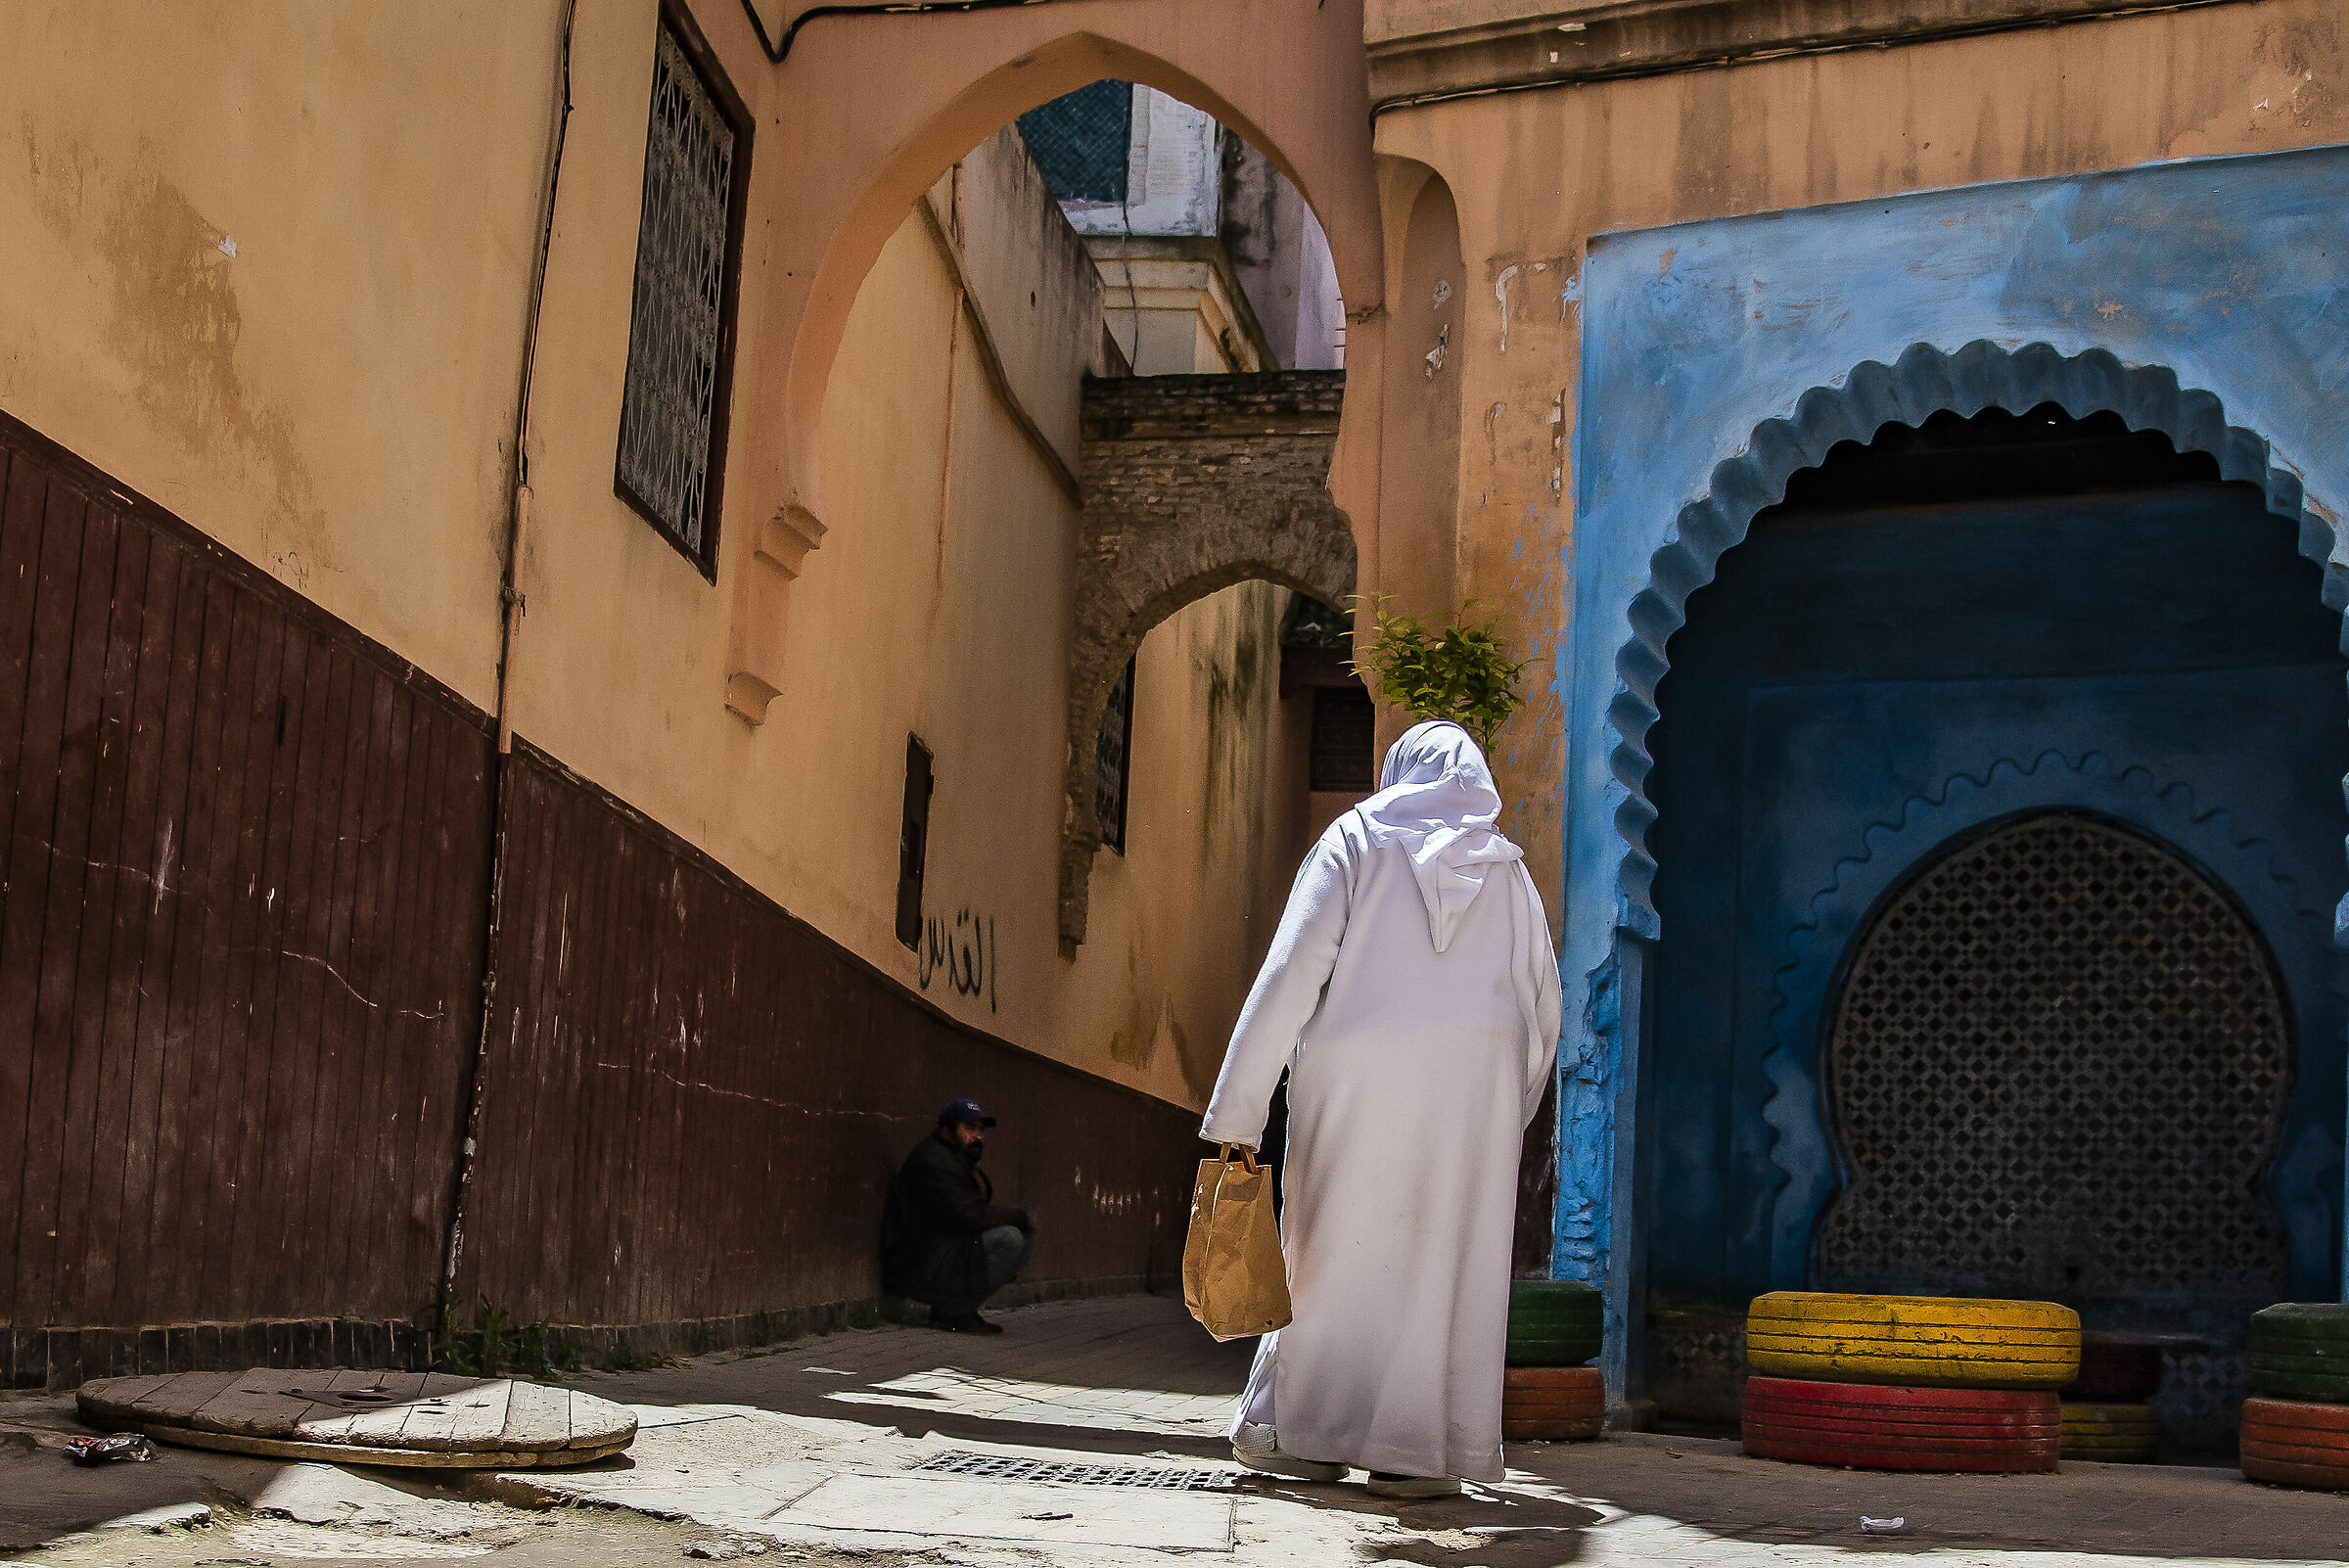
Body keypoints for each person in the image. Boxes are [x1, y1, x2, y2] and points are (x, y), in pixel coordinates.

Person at [1200, 720, 1563, 1498]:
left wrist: (1236, 1117)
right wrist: (1507, 1116)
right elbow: (1543, 1014)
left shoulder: (1356, 840)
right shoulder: (1510, 876)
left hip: (1353, 1089)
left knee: (1334, 1252)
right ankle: (1418, 1453)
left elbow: (1291, 972)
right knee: (1443, 1266)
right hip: (1474, 1100)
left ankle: (1309, 1435)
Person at [881, 1098, 1036, 1333]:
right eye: (969, 1129)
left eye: (980, 1131)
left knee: (1024, 1241)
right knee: (1010, 1238)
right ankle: (952, 1310)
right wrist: (1019, 1216)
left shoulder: (953, 1157)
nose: (978, 1137)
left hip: (941, 1251)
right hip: (918, 1262)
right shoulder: (933, 1160)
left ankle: (961, 1308)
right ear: (946, 1129)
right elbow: (969, 1215)